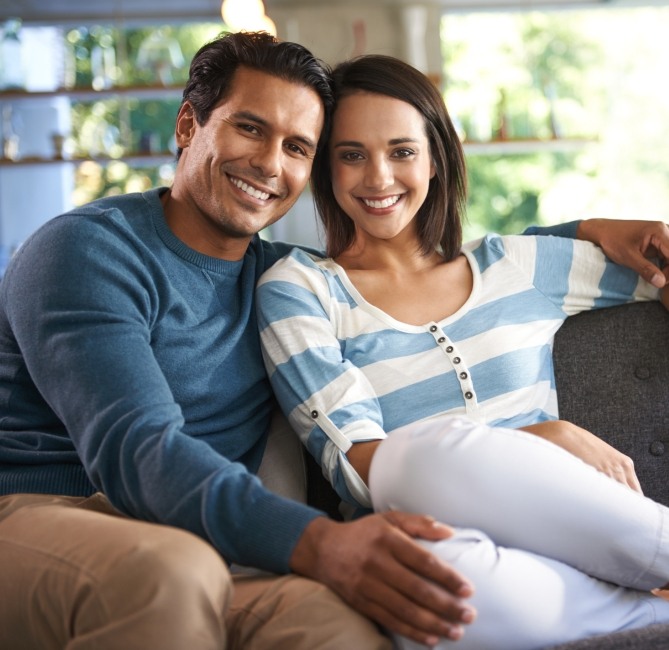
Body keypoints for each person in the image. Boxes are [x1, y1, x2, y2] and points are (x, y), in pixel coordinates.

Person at [0, 30, 665, 650]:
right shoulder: (88, 250)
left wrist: (588, 229)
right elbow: (136, 449)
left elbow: (448, 272)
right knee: (172, 573)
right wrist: (318, 542)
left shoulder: (264, 275)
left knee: (346, 624)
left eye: (296, 147)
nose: (268, 163)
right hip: (49, 513)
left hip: (206, 542)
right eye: (249, 129)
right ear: (187, 125)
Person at [255, 53, 669, 650]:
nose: (378, 178)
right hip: (443, 546)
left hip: (565, 525)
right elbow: (361, 465)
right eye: (351, 154)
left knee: (418, 458)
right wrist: (542, 435)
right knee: (419, 524)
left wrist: (601, 225)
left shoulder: (515, 266)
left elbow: (657, 269)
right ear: (325, 166)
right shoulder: (303, 291)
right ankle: (647, 614)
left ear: (435, 158)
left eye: (401, 151)